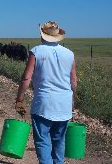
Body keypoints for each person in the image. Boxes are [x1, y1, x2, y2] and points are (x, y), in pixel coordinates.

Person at [15, 21, 78, 164]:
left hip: (43, 104)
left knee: (43, 140)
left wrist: (19, 98)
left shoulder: (36, 51)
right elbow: (73, 81)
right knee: (59, 140)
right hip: (64, 104)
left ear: (42, 35)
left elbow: (26, 77)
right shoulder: (69, 54)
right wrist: (73, 101)